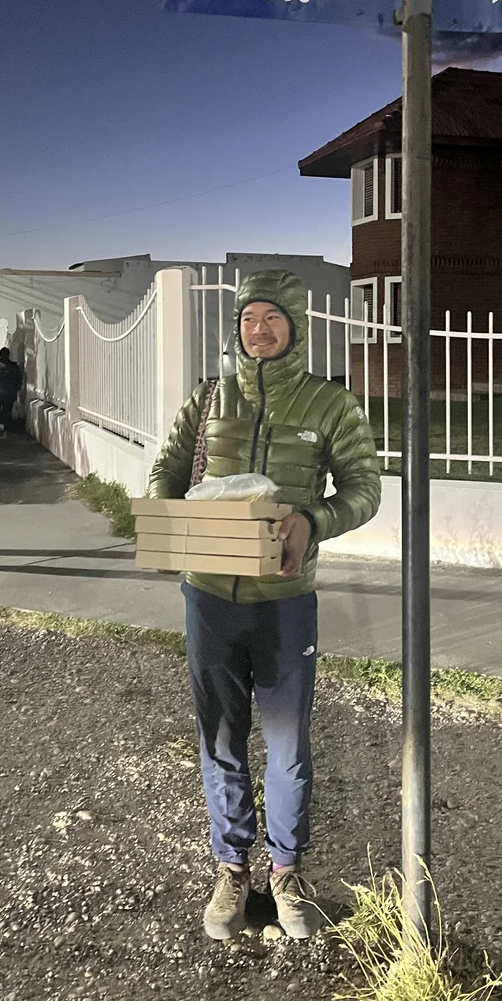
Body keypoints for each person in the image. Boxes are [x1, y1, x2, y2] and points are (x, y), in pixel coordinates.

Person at [148, 270, 381, 941]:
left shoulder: (330, 404)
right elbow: (167, 467)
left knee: (286, 744)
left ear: (297, 326)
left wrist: (314, 517)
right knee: (220, 738)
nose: (259, 329)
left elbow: (365, 487)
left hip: (285, 602)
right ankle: (232, 868)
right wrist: (164, 517)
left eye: (272, 318)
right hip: (209, 597)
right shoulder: (209, 398)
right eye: (249, 318)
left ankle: (285, 871)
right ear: (237, 327)